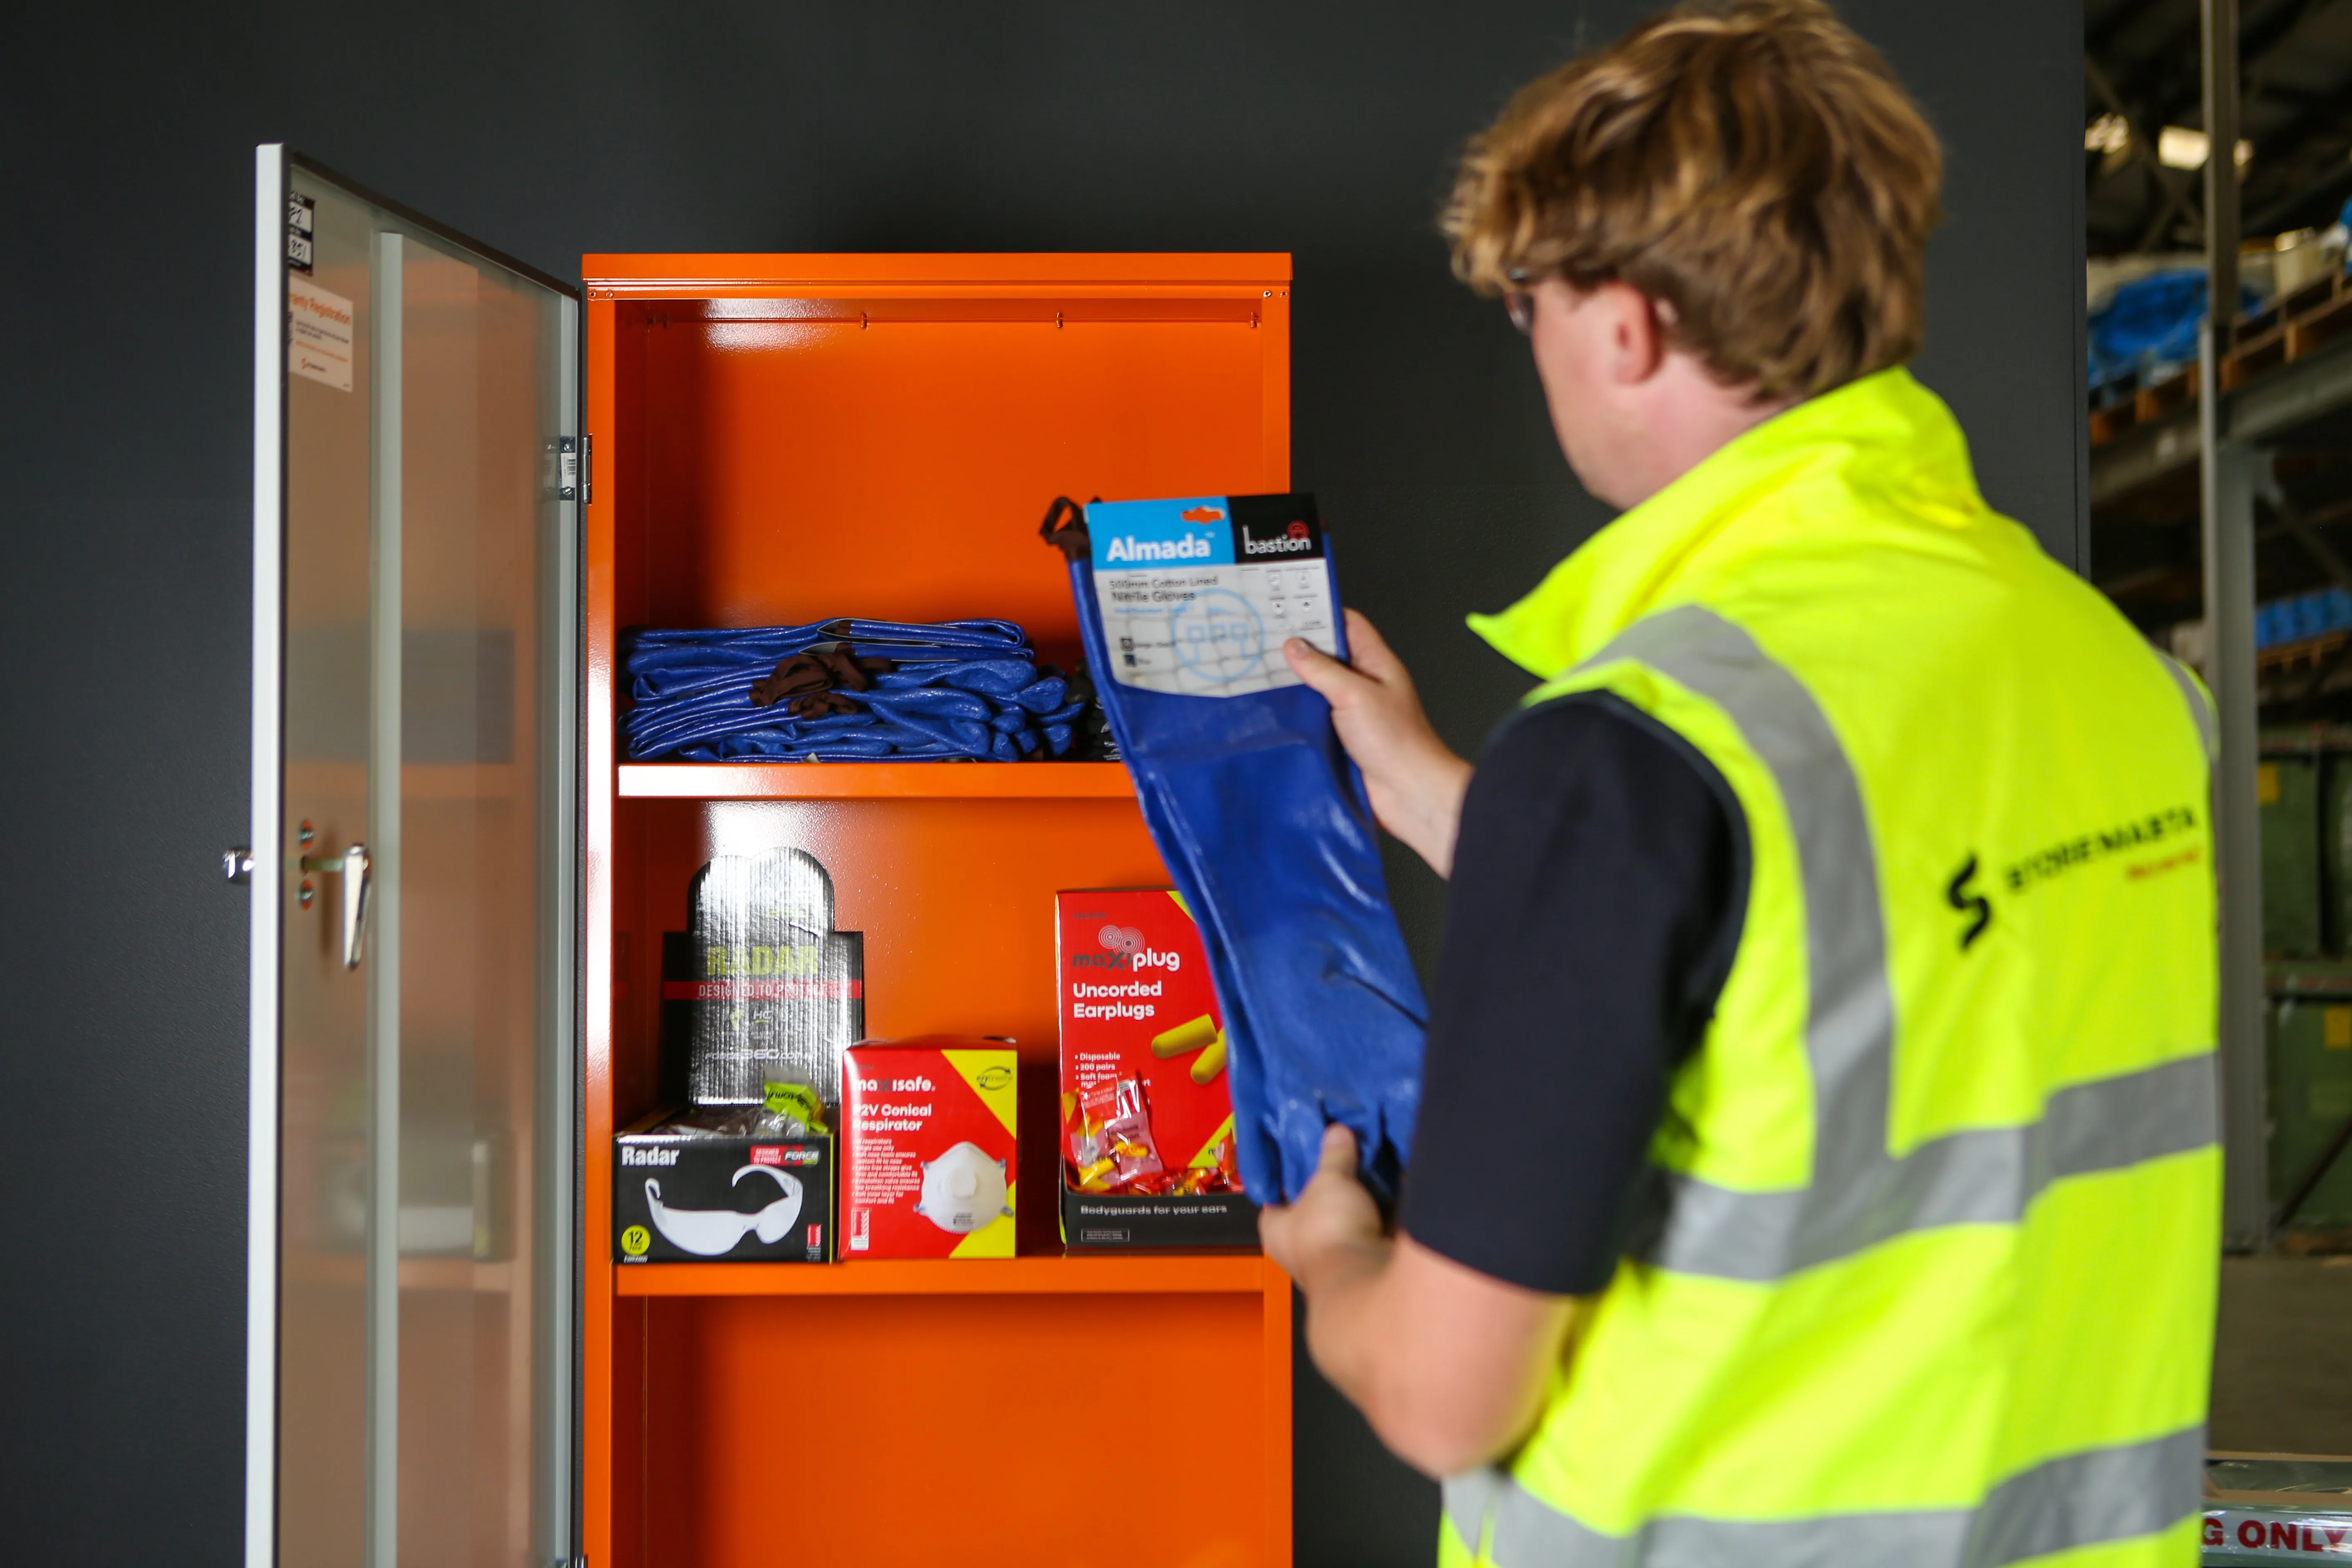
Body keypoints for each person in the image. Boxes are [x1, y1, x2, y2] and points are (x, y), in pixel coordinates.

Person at [1256, 3, 2222, 1564]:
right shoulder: (2125, 684)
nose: (1532, 343)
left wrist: (1337, 1269)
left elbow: (1447, 1398)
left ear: (1624, 322)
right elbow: (1841, 958)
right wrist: (1447, 793)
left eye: (1529, 302)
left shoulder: (1630, 759)